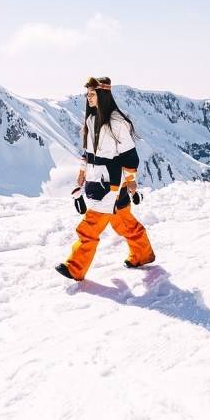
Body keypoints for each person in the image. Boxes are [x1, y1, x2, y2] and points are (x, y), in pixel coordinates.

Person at [56, 76, 156, 280]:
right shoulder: (92, 120)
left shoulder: (117, 123)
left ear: (102, 95)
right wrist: (83, 171)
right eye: (87, 94)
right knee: (123, 221)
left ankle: (75, 267)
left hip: (111, 183)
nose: (88, 98)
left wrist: (131, 181)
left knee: (90, 226)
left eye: (92, 94)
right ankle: (142, 254)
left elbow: (129, 155)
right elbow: (88, 153)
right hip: (97, 179)